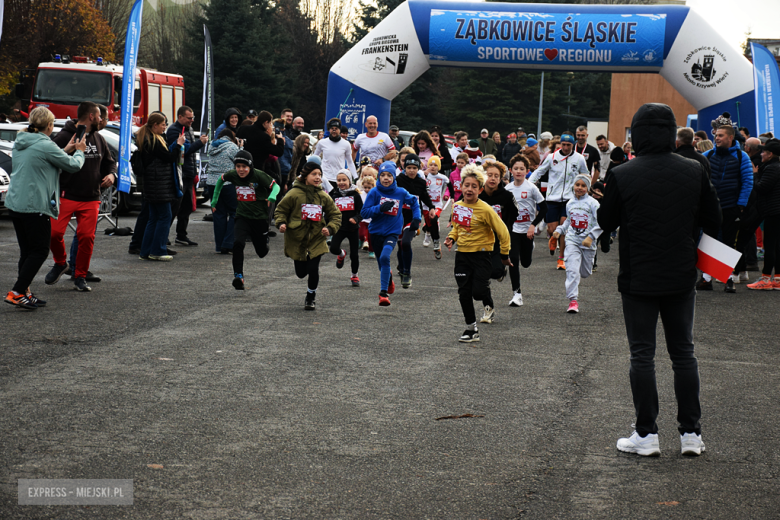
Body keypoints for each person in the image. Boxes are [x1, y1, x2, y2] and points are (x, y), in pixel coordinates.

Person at [598, 102, 721, 457]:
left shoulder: (622, 173)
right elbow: (715, 220)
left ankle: (646, 433)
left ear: (636, 133)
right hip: (682, 272)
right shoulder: (695, 170)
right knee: (684, 353)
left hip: (639, 275)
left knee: (642, 354)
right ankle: (691, 435)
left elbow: (607, 221)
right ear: (671, 131)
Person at [4, 107, 86, 310]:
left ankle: (24, 292)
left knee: (27, 251)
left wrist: (65, 150)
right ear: (49, 125)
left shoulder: (22, 141)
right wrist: (80, 152)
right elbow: (73, 166)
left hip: (16, 202)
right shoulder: (44, 143)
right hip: (35, 204)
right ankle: (16, 291)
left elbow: (44, 160)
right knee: (40, 250)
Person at [46, 101, 116, 292]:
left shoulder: (99, 138)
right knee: (54, 233)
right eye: (99, 116)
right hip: (66, 194)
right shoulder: (64, 136)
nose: (102, 119)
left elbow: (110, 163)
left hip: (91, 197)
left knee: (86, 237)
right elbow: (51, 160)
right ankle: (60, 263)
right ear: (92, 116)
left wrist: (111, 174)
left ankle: (80, 276)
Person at [444, 164, 511, 343]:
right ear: (460, 187)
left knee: (478, 292)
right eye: (467, 185)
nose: (470, 189)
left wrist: (504, 256)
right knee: (464, 292)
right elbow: (458, 228)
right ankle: (471, 328)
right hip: (462, 255)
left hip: (482, 256)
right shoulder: (457, 206)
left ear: (480, 189)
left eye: (474, 186)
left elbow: (503, 232)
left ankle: (487, 298)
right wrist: (451, 237)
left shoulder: (486, 209)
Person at [274, 161, 341, 310]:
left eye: (320, 175)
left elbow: (335, 214)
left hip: (317, 238)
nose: (318, 177)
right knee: (300, 273)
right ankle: (307, 284)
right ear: (305, 176)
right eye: (314, 174)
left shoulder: (323, 196)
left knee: (313, 268)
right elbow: (280, 210)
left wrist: (330, 228)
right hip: (297, 239)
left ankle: (311, 297)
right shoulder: (294, 193)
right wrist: (281, 223)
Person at [698, 113, 754, 292]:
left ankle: (729, 279)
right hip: (711, 206)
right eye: (715, 135)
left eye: (720, 135)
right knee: (708, 241)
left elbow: (747, 181)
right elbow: (700, 179)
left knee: (729, 243)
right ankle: (706, 279)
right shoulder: (707, 154)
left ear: (730, 137)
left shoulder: (741, 156)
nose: (716, 137)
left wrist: (741, 205)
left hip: (732, 206)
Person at [211, 150, 279, 290]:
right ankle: (238, 276)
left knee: (261, 252)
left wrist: (272, 197)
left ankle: (264, 242)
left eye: (244, 166)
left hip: (259, 218)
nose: (241, 170)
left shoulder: (259, 175)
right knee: (237, 243)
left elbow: (276, 186)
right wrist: (214, 200)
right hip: (242, 216)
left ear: (250, 166)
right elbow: (220, 180)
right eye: (238, 166)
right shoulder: (232, 175)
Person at [361, 161, 420, 306]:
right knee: (382, 262)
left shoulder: (400, 192)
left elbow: (414, 202)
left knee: (385, 257)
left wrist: (417, 218)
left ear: (394, 177)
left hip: (392, 232)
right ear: (378, 177)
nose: (386, 178)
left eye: (389, 175)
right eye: (383, 175)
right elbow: (364, 212)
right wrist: (379, 208)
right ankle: (389, 279)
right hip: (375, 232)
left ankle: (383, 294)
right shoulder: (374, 192)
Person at [528, 133, 589, 270]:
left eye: (569, 145)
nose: (566, 147)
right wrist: (529, 184)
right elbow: (539, 172)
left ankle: (561, 258)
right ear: (560, 144)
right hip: (552, 198)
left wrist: (585, 188)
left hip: (570, 199)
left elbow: (586, 175)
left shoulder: (579, 159)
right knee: (552, 229)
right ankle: (552, 238)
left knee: (564, 228)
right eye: (564, 144)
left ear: (573, 145)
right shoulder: (552, 157)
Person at [138, 113, 186, 261]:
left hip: (152, 186)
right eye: (163, 124)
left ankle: (145, 251)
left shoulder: (147, 139)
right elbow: (170, 158)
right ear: (155, 126)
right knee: (165, 216)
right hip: (159, 186)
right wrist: (178, 144)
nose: (165, 127)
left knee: (153, 218)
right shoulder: (154, 141)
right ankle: (158, 250)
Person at [553, 174, 602, 313]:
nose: (579, 188)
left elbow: (601, 222)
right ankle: (573, 301)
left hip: (588, 243)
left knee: (585, 273)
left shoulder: (593, 203)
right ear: (573, 186)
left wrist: (591, 236)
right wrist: (559, 230)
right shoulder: (570, 203)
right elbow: (568, 221)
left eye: (583, 185)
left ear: (588, 188)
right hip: (572, 240)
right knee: (572, 271)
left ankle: (581, 269)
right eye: (577, 185)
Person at [504, 154, 547, 306]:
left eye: (522, 169)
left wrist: (533, 224)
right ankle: (517, 294)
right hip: (513, 230)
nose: (518, 171)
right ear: (511, 170)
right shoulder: (507, 189)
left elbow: (544, 208)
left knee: (526, 263)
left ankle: (530, 247)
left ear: (527, 171)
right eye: (515, 169)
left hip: (528, 230)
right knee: (513, 260)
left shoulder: (531, 188)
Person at [167, 105, 208, 247]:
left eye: (193, 118)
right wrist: (200, 143)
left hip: (189, 173)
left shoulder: (188, 129)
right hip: (180, 174)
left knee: (187, 206)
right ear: (180, 117)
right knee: (175, 206)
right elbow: (184, 151)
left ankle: (181, 235)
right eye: (189, 118)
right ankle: (164, 234)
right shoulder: (173, 130)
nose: (192, 121)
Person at [396, 153, 437, 288]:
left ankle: (407, 273)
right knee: (400, 245)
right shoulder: (398, 180)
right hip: (397, 218)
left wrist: (431, 207)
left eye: (414, 167)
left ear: (418, 168)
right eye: (409, 168)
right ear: (404, 168)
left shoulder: (421, 181)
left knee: (406, 243)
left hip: (413, 217)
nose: (412, 170)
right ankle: (402, 267)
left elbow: (424, 196)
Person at [478, 160, 519, 287]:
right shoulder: (477, 193)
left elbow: (514, 213)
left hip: (499, 238)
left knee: (495, 272)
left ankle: (500, 272)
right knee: (479, 270)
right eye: (489, 175)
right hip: (480, 237)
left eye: (496, 176)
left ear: (501, 178)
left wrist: (505, 227)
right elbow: (462, 205)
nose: (493, 179)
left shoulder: (507, 196)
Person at [747, 138, 780, 290]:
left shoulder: (772, 168)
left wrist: (755, 175)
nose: (761, 154)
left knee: (770, 245)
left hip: (773, 211)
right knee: (777, 245)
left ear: (770, 154)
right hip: (775, 210)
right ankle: (777, 279)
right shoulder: (775, 166)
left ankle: (766, 279)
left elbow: (761, 188)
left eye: (764, 152)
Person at [207, 129, 243, 254]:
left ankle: (219, 245)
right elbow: (240, 161)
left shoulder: (211, 146)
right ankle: (228, 243)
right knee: (235, 212)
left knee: (219, 214)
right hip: (227, 183)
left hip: (212, 183)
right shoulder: (232, 147)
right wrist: (240, 147)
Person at [329, 169, 364, 287]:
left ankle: (354, 275)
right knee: (333, 248)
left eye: (344, 180)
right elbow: (328, 210)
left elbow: (362, 212)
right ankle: (341, 254)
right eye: (339, 180)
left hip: (352, 228)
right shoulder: (334, 194)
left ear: (349, 181)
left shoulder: (355, 195)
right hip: (339, 227)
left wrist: (356, 218)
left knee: (354, 255)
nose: (341, 182)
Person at [313, 118, 357, 186]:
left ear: (339, 130)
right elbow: (314, 158)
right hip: (324, 178)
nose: (334, 131)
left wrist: (356, 177)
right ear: (329, 130)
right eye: (332, 128)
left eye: (336, 128)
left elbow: (350, 162)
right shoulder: (322, 142)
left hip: (339, 179)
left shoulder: (346, 144)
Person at [422, 155, 450, 258]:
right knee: (429, 225)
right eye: (431, 165)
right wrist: (423, 175)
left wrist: (450, 196)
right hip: (425, 205)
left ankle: (436, 243)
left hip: (437, 204)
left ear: (439, 167)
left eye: (435, 165)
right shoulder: (424, 175)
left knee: (433, 219)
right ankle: (428, 233)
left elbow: (450, 186)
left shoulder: (443, 177)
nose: (433, 167)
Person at [280, 116, 305, 186]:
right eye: (299, 123)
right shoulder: (289, 137)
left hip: (299, 170)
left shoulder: (301, 136)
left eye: (302, 123)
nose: (301, 125)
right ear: (293, 124)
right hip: (289, 172)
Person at [358, 175, 377, 258]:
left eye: (369, 187)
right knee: (361, 234)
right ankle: (361, 240)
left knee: (370, 237)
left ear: (373, 186)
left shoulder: (375, 195)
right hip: (362, 218)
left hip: (372, 219)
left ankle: (371, 251)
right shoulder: (361, 194)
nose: (367, 189)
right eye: (365, 187)